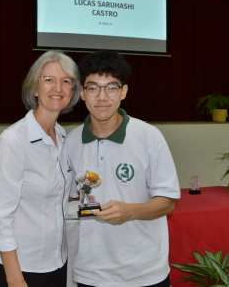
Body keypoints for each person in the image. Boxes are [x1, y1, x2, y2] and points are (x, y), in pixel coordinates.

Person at [66, 50, 181, 287]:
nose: (102, 97)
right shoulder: (71, 141)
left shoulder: (148, 136)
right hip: (91, 271)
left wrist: (130, 211)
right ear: (82, 94)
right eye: (93, 88)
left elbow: (167, 201)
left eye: (111, 87)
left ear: (124, 92)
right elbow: (72, 200)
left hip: (144, 271)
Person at [0, 50, 81, 287]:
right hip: (20, 268)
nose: (57, 87)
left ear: (72, 91)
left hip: (56, 262)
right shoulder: (13, 141)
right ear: (35, 89)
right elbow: (1, 216)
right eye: (48, 80)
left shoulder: (61, 136)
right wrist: (15, 279)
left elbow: (61, 197)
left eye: (65, 81)